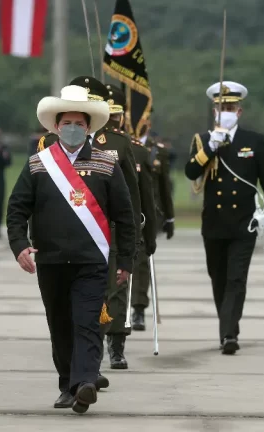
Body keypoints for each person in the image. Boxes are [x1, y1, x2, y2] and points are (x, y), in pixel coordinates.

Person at [6, 85, 135, 414]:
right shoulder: (39, 164)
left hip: (92, 261)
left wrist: (126, 260)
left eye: (79, 123)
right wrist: (20, 245)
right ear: (56, 126)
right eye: (67, 123)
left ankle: (85, 382)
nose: (73, 128)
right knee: (60, 324)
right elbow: (17, 208)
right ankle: (68, 383)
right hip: (50, 260)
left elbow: (125, 216)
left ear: (88, 127)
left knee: (87, 322)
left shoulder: (107, 164)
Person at [35, 76, 143, 371]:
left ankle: (103, 358)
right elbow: (29, 200)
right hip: (60, 247)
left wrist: (134, 246)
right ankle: (84, 372)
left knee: (106, 301)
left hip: (105, 238)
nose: (73, 128)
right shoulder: (46, 147)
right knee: (71, 313)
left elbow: (129, 201)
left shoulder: (117, 145)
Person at [184, 81, 264, 355]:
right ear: (214, 111)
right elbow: (190, 172)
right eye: (220, 107)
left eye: (229, 107)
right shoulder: (204, 140)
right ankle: (226, 325)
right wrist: (210, 148)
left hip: (244, 223)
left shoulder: (253, 141)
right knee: (218, 278)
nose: (225, 111)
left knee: (236, 279)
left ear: (239, 111)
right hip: (214, 224)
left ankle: (229, 333)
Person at [104, 84, 159, 336]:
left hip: (120, 227)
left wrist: (148, 234)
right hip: (87, 227)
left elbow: (142, 196)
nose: (113, 121)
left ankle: (116, 342)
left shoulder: (133, 148)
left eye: (116, 116)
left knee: (118, 287)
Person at [133, 112, 175, 330]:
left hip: (147, 214)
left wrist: (169, 216)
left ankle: (138, 308)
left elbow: (164, 187)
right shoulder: (120, 144)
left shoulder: (157, 150)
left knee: (141, 261)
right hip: (122, 211)